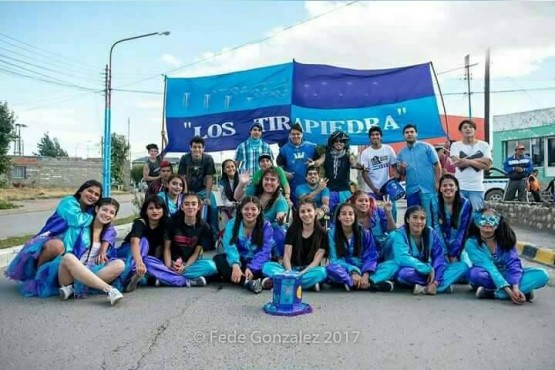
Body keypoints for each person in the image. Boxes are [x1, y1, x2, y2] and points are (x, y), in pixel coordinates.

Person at [6, 180, 103, 296]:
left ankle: (62, 280)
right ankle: (38, 277)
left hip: (73, 246)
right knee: (57, 246)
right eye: (90, 191)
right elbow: (77, 220)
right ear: (81, 191)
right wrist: (98, 218)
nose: (92, 196)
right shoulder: (68, 202)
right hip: (52, 239)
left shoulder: (92, 210)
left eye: (96, 194)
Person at [118, 195, 203, 292]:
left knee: (150, 262)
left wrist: (168, 263)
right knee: (144, 242)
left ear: (163, 210)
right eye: (151, 208)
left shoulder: (165, 225)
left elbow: (160, 249)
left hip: (145, 259)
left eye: (158, 208)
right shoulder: (140, 223)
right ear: (145, 211)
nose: (155, 211)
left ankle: (183, 281)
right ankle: (130, 277)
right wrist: (139, 263)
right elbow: (134, 242)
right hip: (129, 254)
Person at [465, 208, 549, 303]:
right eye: (483, 219)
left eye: (492, 220)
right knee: (474, 274)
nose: (487, 223)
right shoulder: (471, 243)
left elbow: (513, 263)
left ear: (497, 224)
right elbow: (489, 267)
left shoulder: (506, 240)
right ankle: (523, 291)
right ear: (477, 223)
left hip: (508, 276)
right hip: (487, 277)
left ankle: (494, 294)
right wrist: (509, 291)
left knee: (542, 274)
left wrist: (515, 287)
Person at [57, 197, 124, 305]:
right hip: (70, 274)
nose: (107, 214)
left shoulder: (108, 233)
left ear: (114, 217)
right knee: (68, 257)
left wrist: (103, 257)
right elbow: (67, 251)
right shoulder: (78, 228)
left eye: (112, 212)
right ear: (97, 209)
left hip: (93, 270)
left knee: (120, 264)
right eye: (104, 210)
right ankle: (109, 290)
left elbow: (109, 257)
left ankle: (76, 288)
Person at [391, 205, 468, 295]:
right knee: (403, 274)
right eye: (415, 217)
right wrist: (427, 269)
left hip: (432, 272)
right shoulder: (400, 234)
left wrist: (436, 281)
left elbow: (439, 258)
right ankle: (441, 286)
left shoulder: (431, 233)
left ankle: (428, 288)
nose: (418, 222)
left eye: (422, 218)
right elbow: (402, 258)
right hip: (415, 270)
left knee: (462, 267)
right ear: (407, 219)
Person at [326, 203, 397, 292]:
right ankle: (368, 284)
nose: (347, 217)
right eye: (344, 214)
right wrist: (353, 271)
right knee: (331, 268)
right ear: (339, 217)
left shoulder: (365, 233)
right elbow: (334, 259)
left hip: (364, 268)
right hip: (345, 269)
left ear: (355, 217)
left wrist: (366, 274)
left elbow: (371, 256)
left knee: (392, 265)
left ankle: (356, 283)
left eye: (350, 214)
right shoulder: (331, 234)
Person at [262, 199, 328, 291]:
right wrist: (290, 273)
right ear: (299, 214)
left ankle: (281, 283)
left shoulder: (323, 234)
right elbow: (287, 256)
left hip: (309, 270)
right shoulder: (292, 230)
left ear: (315, 212)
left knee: (322, 272)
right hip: (290, 269)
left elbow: (316, 261)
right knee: (267, 266)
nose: (306, 214)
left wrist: (299, 275)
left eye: (309, 211)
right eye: (302, 211)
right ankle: (304, 285)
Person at [212, 196, 274, 294]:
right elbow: (229, 246)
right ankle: (248, 282)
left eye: (253, 209)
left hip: (257, 263)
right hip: (239, 261)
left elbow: (265, 251)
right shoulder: (232, 223)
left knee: (268, 267)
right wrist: (235, 265)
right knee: (218, 259)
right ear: (241, 210)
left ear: (259, 211)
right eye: (246, 209)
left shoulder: (266, 226)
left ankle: (247, 279)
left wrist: (252, 268)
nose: (250, 212)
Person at [164, 193, 218, 285]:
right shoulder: (171, 222)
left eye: (193, 204)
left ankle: (166, 279)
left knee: (212, 266)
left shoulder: (204, 227)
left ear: (198, 207)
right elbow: (167, 248)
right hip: (171, 262)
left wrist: (185, 266)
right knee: (151, 263)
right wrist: (169, 266)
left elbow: (196, 253)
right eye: (187, 204)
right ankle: (186, 280)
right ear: (182, 207)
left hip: (190, 264)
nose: (190, 207)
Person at [235, 167, 288, 259]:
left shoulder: (281, 200)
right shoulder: (254, 190)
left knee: (280, 233)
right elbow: (237, 197)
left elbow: (281, 217)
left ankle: (276, 259)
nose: (269, 182)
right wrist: (241, 184)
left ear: (278, 183)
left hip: (269, 230)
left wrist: (281, 219)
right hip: (249, 227)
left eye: (272, 180)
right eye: (266, 179)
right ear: (262, 180)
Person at [397, 124, 442, 224]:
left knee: (431, 219)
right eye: (407, 132)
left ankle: (431, 239)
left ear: (416, 134)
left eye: (412, 132)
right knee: (413, 220)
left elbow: (437, 165)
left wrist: (438, 182)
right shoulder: (401, 153)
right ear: (403, 135)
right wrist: (402, 168)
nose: (409, 134)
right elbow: (401, 175)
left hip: (428, 189)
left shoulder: (427, 147)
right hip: (412, 190)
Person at [177, 136, 217, 234]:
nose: (197, 149)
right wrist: (185, 192)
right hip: (189, 190)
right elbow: (182, 176)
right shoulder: (184, 158)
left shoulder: (208, 158)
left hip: (203, 190)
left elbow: (209, 177)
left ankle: (214, 234)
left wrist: (207, 196)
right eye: (194, 147)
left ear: (203, 148)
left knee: (214, 208)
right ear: (190, 147)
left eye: (199, 147)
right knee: (180, 208)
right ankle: (181, 233)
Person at [311, 130, 357, 215]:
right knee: (328, 214)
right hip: (329, 190)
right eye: (336, 141)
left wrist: (353, 161)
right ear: (332, 142)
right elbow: (319, 161)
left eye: (342, 141)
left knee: (345, 213)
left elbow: (353, 164)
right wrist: (313, 163)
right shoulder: (326, 155)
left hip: (344, 190)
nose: (339, 143)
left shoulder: (348, 155)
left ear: (345, 143)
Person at [449, 120, 492, 211]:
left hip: (477, 188)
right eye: (465, 127)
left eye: (470, 127)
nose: (468, 129)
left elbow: (487, 164)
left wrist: (468, 161)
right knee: (459, 215)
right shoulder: (456, 145)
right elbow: (458, 163)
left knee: (476, 216)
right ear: (460, 131)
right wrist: (480, 161)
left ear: (475, 130)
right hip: (460, 187)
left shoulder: (483, 145)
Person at [359, 126, 399, 221]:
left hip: (387, 189)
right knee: (373, 216)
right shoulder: (365, 153)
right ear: (370, 138)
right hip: (371, 191)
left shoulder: (388, 149)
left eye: (377, 134)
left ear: (381, 136)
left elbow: (394, 166)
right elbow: (365, 173)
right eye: (372, 135)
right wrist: (374, 189)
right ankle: (375, 235)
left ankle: (391, 233)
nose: (375, 137)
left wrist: (395, 179)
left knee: (392, 212)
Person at [432, 174, 473, 263]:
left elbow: (463, 230)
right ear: (440, 189)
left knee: (465, 266)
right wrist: (445, 253)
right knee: (439, 265)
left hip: (460, 245)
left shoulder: (465, 204)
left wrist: (454, 253)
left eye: (451, 185)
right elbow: (436, 228)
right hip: (441, 244)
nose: (448, 188)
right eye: (444, 185)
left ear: (456, 188)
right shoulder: (435, 202)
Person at [276, 123, 319, 204]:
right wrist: (285, 173)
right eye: (293, 134)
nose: (296, 136)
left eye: (298, 134)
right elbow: (279, 169)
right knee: (296, 212)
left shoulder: (311, 147)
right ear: (289, 135)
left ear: (302, 135)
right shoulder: (283, 150)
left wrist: (314, 164)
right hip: (292, 187)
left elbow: (319, 163)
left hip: (310, 186)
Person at [349, 190, 395, 257]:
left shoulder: (377, 212)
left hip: (380, 249)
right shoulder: (349, 216)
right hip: (359, 252)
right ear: (353, 203)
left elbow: (393, 230)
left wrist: (388, 213)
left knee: (394, 236)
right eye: (360, 201)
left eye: (366, 201)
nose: (364, 203)